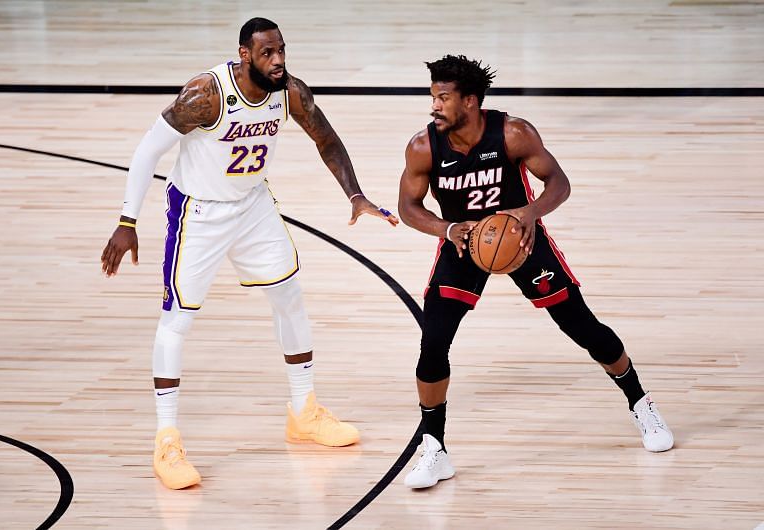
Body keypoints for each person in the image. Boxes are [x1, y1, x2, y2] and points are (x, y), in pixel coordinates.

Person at [100, 17, 398, 490]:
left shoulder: (290, 91)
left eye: (282, 50)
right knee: (177, 320)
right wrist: (126, 221)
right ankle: (166, 440)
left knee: (290, 296)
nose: (278, 60)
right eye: (266, 53)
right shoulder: (206, 94)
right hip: (198, 211)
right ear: (244, 53)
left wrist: (355, 195)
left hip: (253, 204)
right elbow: (146, 152)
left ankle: (303, 411)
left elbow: (328, 139)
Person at [398, 55, 673, 490]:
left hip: (521, 242)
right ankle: (435, 447)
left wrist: (528, 213)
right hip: (464, 245)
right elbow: (408, 207)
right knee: (433, 340)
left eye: (443, 97)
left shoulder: (512, 133)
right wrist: (447, 229)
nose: (434, 105)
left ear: (470, 101)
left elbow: (558, 183)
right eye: (433, 96)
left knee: (582, 326)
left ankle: (641, 403)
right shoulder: (423, 146)